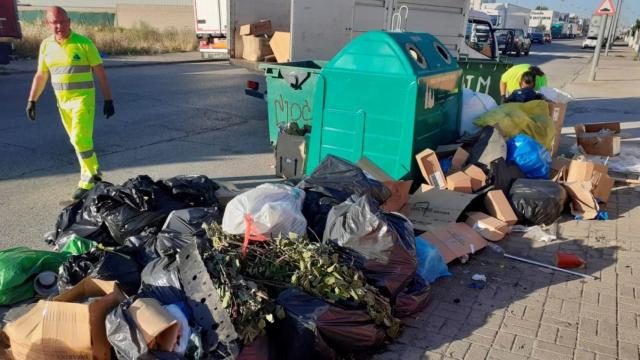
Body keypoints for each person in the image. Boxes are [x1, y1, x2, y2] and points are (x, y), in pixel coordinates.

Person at [26, 6, 115, 201]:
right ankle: (92, 174)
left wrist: (108, 99)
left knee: (80, 139)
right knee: (77, 142)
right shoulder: (46, 45)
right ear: (48, 24)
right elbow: (41, 74)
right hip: (63, 103)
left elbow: (100, 72)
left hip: (83, 100)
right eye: (54, 22)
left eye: (62, 21)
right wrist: (32, 100)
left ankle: (89, 179)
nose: (59, 26)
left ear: (69, 21)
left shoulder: (84, 44)